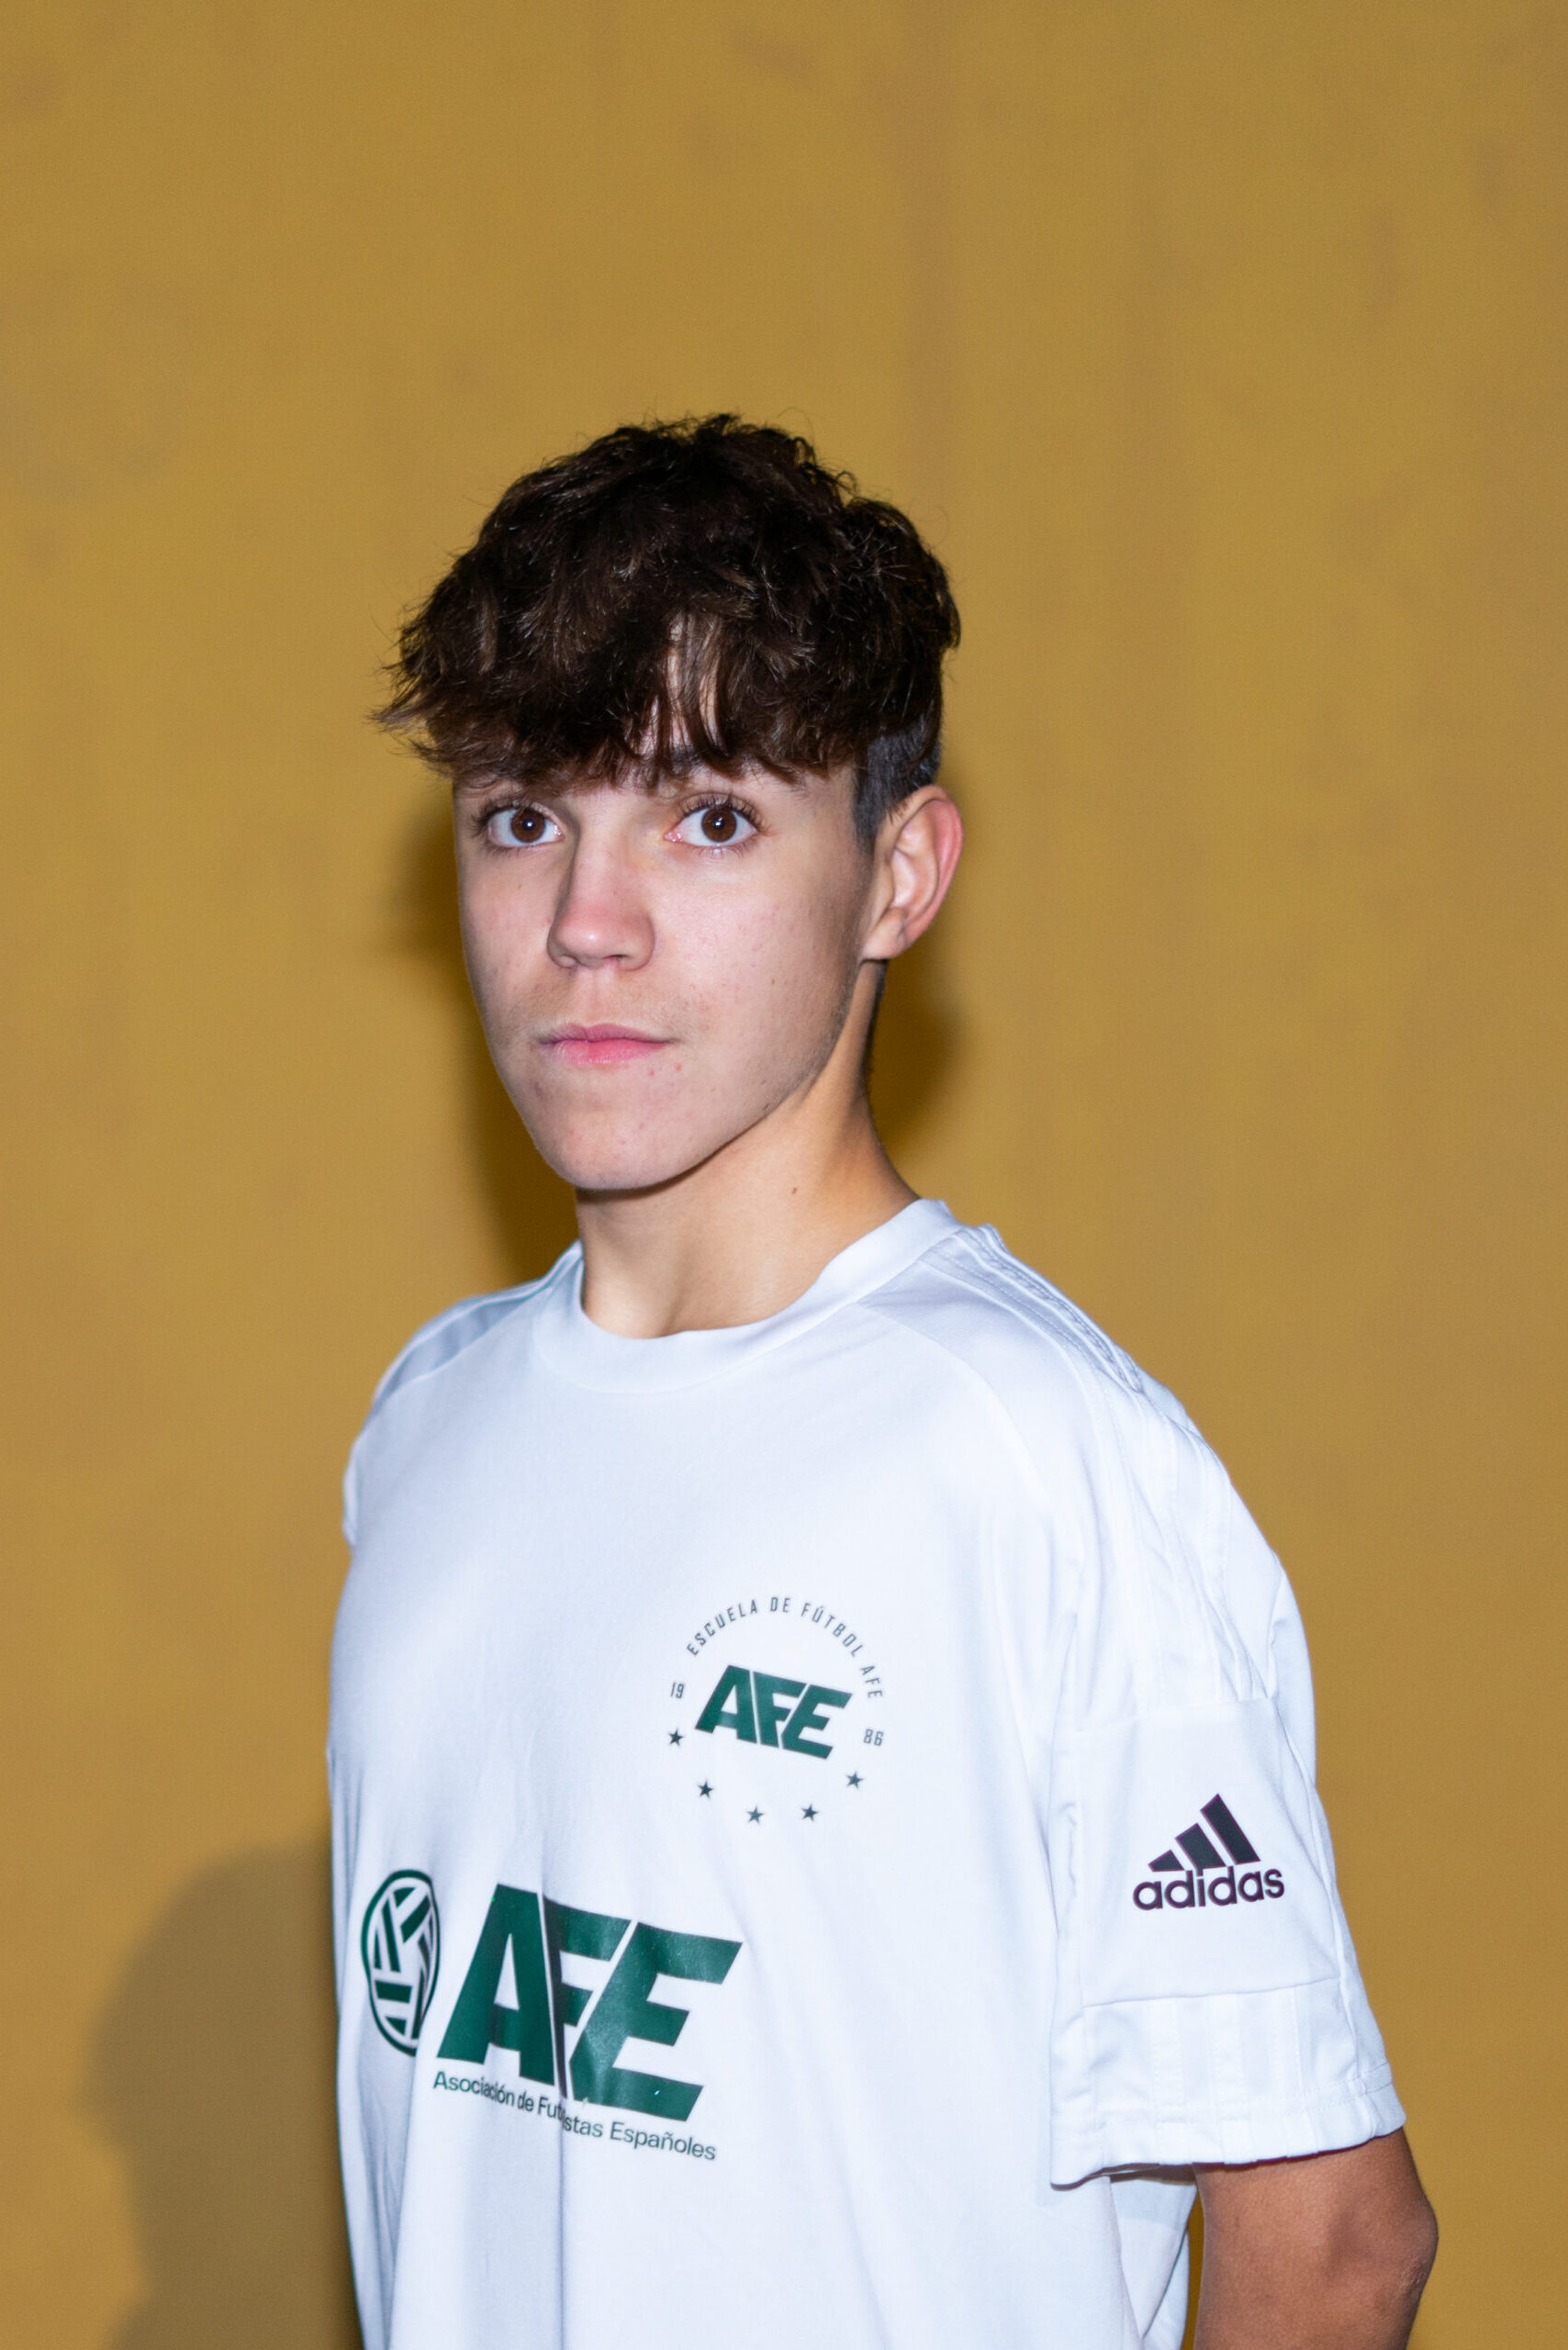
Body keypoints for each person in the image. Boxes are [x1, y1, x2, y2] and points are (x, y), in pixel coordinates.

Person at [330, 415, 1436, 2350]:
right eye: (521, 816)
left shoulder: (1041, 1461)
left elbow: (1335, 2241)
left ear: (899, 876)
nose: (586, 921)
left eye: (709, 819)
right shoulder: (430, 1424)